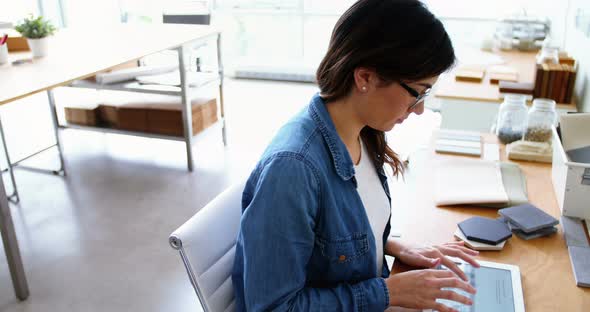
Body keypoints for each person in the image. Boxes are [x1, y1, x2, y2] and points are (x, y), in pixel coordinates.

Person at [232, 1, 480, 311]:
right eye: (417, 92)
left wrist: (395, 245)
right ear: (364, 77)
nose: (419, 109)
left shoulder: (362, 131)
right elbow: (273, 307)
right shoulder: (293, 170)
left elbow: (331, 236)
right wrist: (388, 293)